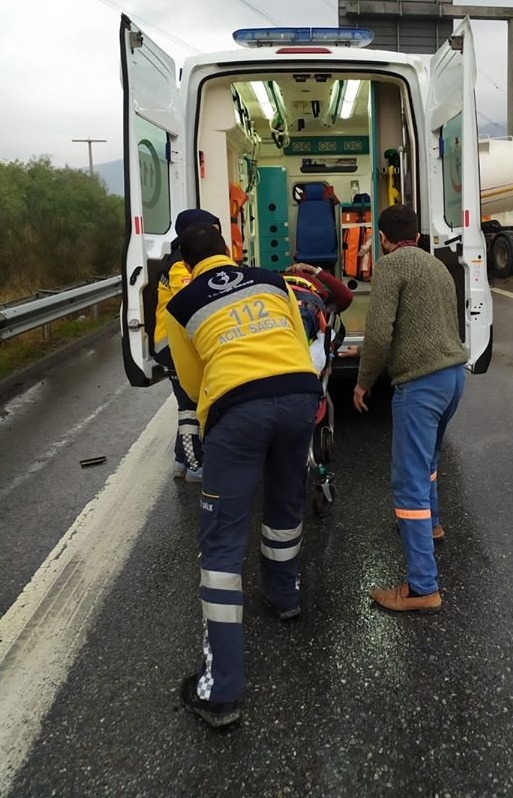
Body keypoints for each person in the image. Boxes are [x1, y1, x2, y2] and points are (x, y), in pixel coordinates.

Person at [165, 224, 322, 727]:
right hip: (300, 396)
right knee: (284, 505)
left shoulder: (182, 304)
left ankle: (221, 691)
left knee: (222, 542)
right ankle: (284, 595)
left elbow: (192, 382)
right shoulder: (271, 280)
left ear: (187, 265)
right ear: (230, 252)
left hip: (238, 409)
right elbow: (298, 340)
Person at [353, 204, 467, 614]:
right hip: (453, 376)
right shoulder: (437, 266)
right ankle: (432, 525)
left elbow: (379, 334)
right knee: (429, 462)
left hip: (420, 384)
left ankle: (422, 587)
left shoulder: (390, 267)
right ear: (417, 236)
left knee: (408, 482)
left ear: (383, 239)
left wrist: (363, 381)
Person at [154, 208, 222, 482]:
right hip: (174, 346)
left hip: (181, 342)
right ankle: (196, 466)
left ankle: (182, 462)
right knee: (190, 407)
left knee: (189, 404)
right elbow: (193, 300)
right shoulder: (181, 267)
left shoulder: (180, 262)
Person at [283, 262, 353, 371]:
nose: (298, 269)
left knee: (298, 324)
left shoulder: (321, 288)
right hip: (282, 296)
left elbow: (346, 297)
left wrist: (314, 271)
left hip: (301, 299)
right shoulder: (277, 276)